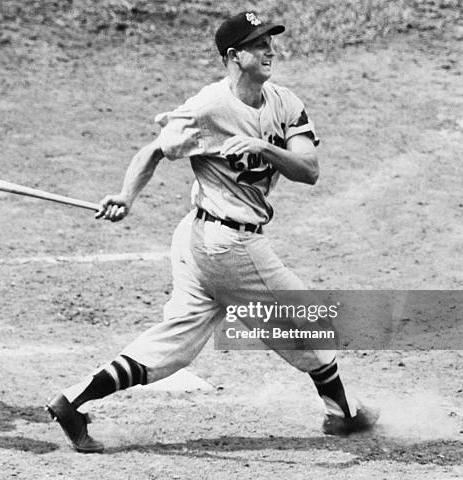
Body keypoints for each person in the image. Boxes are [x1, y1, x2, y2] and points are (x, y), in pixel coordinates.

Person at [46, 11, 379, 453]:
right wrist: (127, 196)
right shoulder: (209, 107)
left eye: (270, 42)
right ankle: (342, 415)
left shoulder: (284, 102)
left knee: (175, 346)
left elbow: (310, 170)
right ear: (234, 56)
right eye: (258, 44)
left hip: (203, 241)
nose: (270, 50)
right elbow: (154, 151)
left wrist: (263, 146)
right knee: (309, 319)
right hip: (228, 245)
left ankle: (73, 401)